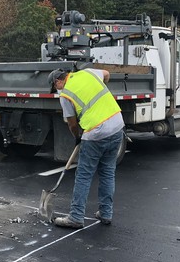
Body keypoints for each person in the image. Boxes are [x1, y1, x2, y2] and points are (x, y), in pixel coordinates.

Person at [48, 68, 125, 229]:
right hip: (117, 125)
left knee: (83, 175)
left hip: (96, 133)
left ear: (58, 81)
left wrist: (77, 137)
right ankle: (106, 213)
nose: (58, 90)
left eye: (56, 87)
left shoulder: (65, 95)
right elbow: (107, 74)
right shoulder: (88, 73)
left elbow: (72, 123)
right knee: (107, 172)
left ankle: (76, 216)